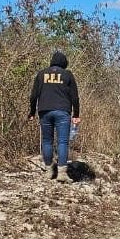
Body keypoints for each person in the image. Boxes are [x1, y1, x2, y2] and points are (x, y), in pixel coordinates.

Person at [28, 51, 80, 182]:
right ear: (64, 63)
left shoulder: (41, 74)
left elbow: (34, 95)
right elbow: (75, 96)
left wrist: (32, 112)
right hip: (63, 111)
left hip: (44, 111)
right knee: (62, 141)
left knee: (47, 141)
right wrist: (76, 114)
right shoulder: (67, 75)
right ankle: (62, 173)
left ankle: (49, 170)